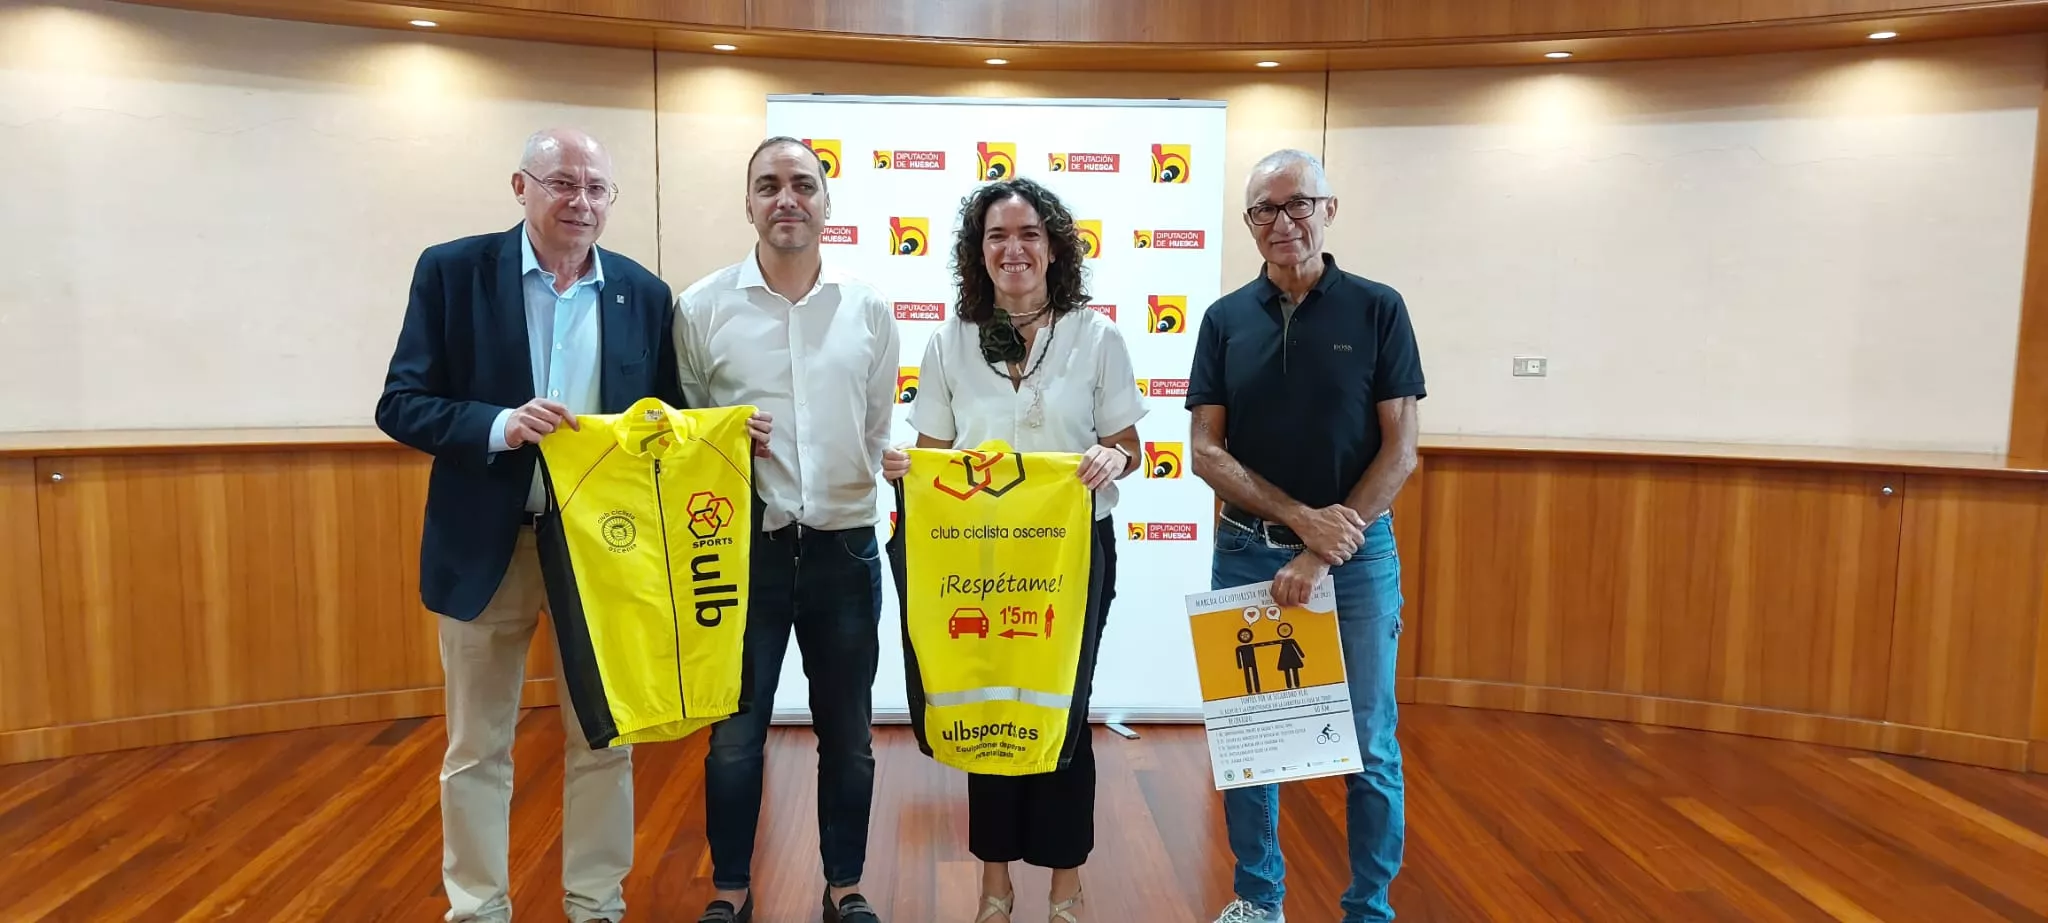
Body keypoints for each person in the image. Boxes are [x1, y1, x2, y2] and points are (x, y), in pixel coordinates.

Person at [375, 128, 769, 923]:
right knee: (477, 745)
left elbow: (660, 423)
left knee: (605, 735)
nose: (580, 201)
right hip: (487, 542)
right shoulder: (452, 271)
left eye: (596, 188)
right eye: (563, 183)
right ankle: (478, 907)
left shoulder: (644, 293)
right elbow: (402, 401)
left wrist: (715, 432)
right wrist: (498, 423)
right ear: (520, 186)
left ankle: (596, 903)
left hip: (605, 553)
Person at [897, 176, 1146, 923]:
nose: (1014, 248)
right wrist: (906, 470)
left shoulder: (1095, 336)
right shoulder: (950, 339)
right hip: (978, 557)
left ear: (1054, 246)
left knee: (1064, 712)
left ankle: (1066, 886)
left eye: (1029, 234)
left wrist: (1114, 459)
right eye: (997, 236)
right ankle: (994, 884)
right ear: (979, 251)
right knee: (990, 713)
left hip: (1070, 556)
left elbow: (1129, 443)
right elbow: (932, 452)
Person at [673, 136, 908, 923]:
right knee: (734, 738)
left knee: (849, 737)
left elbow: (877, 426)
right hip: (743, 554)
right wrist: (724, 434)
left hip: (846, 548)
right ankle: (730, 890)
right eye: (768, 185)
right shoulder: (702, 307)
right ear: (748, 203)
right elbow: (685, 435)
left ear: (826, 203)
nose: (786, 199)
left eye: (802, 184)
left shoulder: (867, 307)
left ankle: (845, 886)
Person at [1187, 149, 1426, 923]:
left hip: (1356, 559)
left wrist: (1324, 548)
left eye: (1298, 204)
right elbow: (1205, 450)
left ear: (1328, 210)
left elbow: (1402, 449)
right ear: (1249, 223)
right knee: (1251, 742)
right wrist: (1298, 523)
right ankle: (1259, 901)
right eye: (1265, 208)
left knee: (1370, 746)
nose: (1283, 221)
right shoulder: (1224, 320)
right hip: (1246, 550)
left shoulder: (1379, 308)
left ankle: (1369, 908)